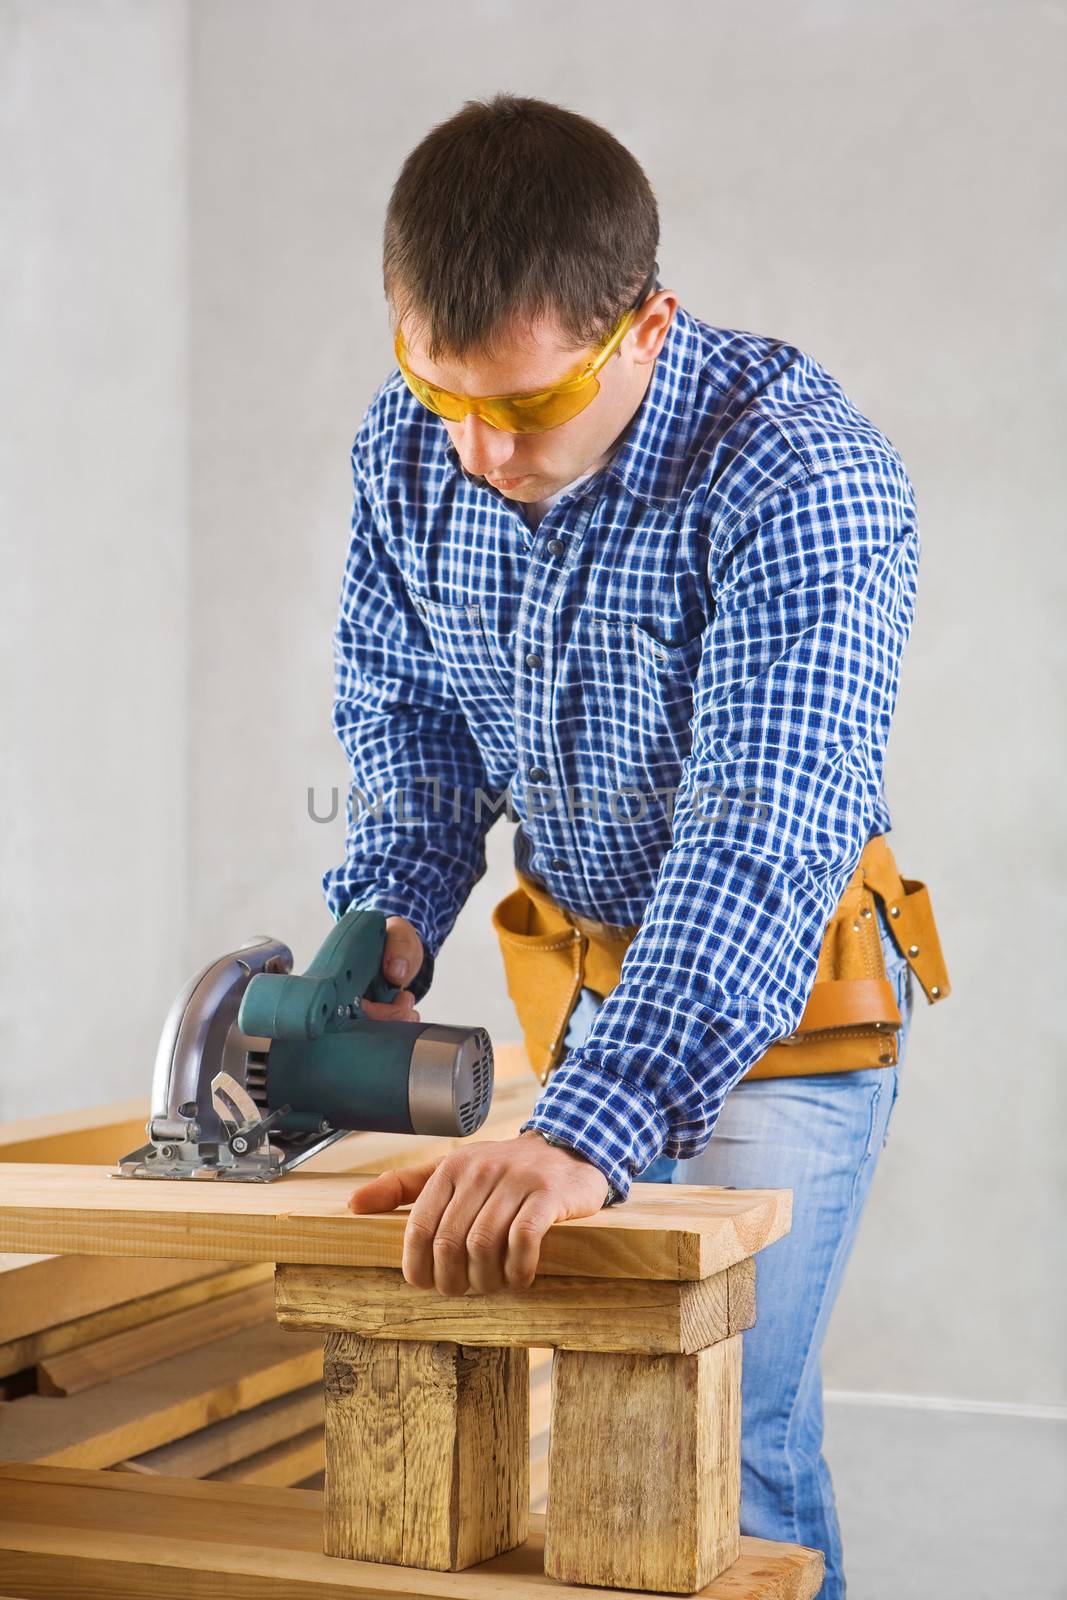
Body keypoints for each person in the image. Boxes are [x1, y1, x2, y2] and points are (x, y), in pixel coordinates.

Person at [324, 95, 948, 1597]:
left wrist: (582, 1130)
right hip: (593, 997)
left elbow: (755, 843)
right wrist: (389, 923)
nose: (477, 450)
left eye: (529, 409)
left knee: (729, 1436)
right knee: (574, 1430)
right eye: (439, 390)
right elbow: (410, 729)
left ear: (646, 326)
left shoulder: (801, 480)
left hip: (784, 1010)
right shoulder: (417, 451)